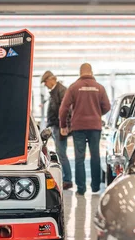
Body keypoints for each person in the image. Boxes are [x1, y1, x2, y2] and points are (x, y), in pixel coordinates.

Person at [59, 63, 110, 195]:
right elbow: (107, 107)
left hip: (78, 127)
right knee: (95, 156)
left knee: (79, 158)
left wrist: (63, 126)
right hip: (95, 127)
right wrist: (96, 114)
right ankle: (95, 187)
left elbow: (63, 109)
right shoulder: (100, 88)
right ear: (91, 72)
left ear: (80, 72)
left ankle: (81, 188)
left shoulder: (74, 87)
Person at [41, 71, 73, 190]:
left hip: (59, 126)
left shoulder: (61, 90)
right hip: (55, 126)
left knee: (61, 153)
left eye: (45, 82)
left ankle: (67, 180)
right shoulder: (55, 91)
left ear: (51, 79)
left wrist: (63, 126)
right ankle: (66, 179)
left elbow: (66, 110)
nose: (45, 85)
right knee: (60, 153)